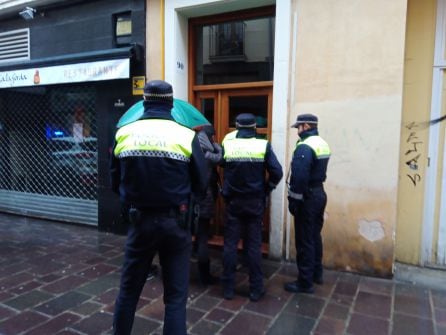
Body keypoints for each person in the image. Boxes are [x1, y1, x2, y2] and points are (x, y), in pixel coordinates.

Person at [110, 80, 207, 335]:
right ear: (171, 103)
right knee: (175, 299)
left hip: (139, 221)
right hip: (176, 223)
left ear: (144, 102)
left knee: (129, 292)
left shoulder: (124, 133)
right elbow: (202, 182)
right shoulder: (186, 135)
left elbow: (114, 181)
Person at [220, 113, 283, 302]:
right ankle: (256, 289)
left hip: (233, 202)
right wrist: (268, 188)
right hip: (255, 201)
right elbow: (277, 172)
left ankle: (228, 289)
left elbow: (221, 164)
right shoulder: (263, 145)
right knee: (254, 246)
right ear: (255, 128)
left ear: (237, 128)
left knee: (230, 245)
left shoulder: (228, 146)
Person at [285, 113, 331, 294]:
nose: (297, 130)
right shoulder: (322, 143)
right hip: (319, 193)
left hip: (308, 197)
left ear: (305, 126)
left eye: (298, 127)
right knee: (314, 236)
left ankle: (304, 282)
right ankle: (316, 273)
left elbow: (300, 177)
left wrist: (294, 201)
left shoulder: (305, 147)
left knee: (304, 240)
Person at [194, 125, 222, 286]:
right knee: (203, 234)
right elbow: (221, 157)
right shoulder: (206, 152)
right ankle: (204, 275)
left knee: (198, 233)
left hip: (192, 197)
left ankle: (196, 250)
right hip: (204, 197)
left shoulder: (193, 148)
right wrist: (215, 145)